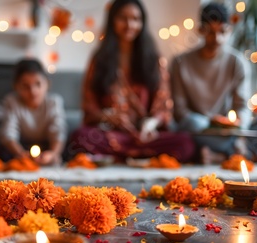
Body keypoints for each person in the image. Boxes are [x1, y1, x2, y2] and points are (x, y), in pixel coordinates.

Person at [67, 0, 195, 162]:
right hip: (113, 135)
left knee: (185, 143)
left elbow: (163, 105)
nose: (129, 24)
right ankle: (139, 157)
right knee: (80, 137)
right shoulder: (100, 60)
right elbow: (89, 105)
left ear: (142, 22)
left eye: (135, 19)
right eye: (123, 18)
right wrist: (108, 116)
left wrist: (151, 123)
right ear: (112, 20)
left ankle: (116, 157)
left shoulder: (152, 59)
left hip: (145, 136)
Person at [170, 2, 257, 163]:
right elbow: (180, 112)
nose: (217, 38)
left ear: (230, 30)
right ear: (200, 30)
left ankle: (221, 154)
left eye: (222, 31)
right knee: (192, 124)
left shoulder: (237, 62)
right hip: (200, 128)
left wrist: (238, 132)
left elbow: (241, 107)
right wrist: (213, 124)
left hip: (229, 131)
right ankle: (245, 154)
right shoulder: (180, 63)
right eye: (210, 32)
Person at [0, 58, 66, 165]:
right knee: (3, 154)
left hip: (47, 146)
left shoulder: (53, 102)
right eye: (25, 86)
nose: (33, 91)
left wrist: (53, 153)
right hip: (21, 147)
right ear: (16, 86)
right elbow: (8, 132)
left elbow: (58, 131)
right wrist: (20, 153)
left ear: (47, 84)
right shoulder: (12, 102)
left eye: (38, 84)